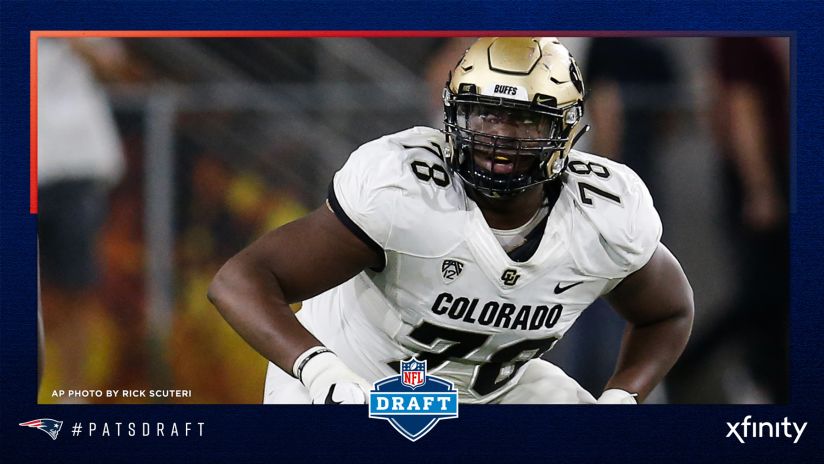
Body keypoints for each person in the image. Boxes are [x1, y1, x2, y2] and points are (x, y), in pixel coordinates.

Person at [208, 37, 694, 405]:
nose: (500, 137)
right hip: (361, 380)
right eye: (484, 114)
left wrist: (624, 395)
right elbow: (239, 280)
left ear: (565, 131)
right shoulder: (403, 190)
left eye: (526, 119)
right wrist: (321, 371)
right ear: (453, 116)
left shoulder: (604, 212)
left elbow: (668, 313)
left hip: (494, 392)